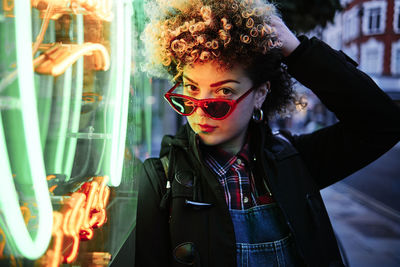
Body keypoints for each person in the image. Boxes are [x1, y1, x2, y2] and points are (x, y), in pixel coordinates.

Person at [111, 0, 400, 266]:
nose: (200, 110)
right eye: (191, 89)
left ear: (260, 94)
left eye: (223, 92)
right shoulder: (160, 180)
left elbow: (382, 123)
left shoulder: (296, 162)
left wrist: (298, 50)